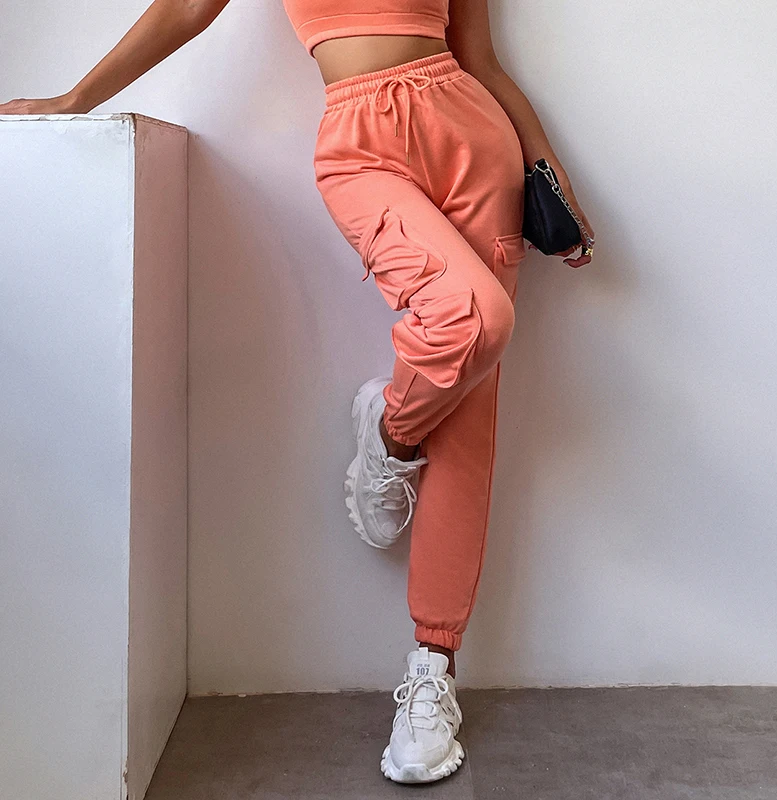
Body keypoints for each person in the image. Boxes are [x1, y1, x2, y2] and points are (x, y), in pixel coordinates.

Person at [0, 0, 595, 784]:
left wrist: (549, 171)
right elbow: (188, 7)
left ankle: (432, 669)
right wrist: (77, 99)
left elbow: (479, 57)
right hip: (361, 147)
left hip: (474, 138)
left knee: (472, 411)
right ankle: (391, 431)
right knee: (475, 320)